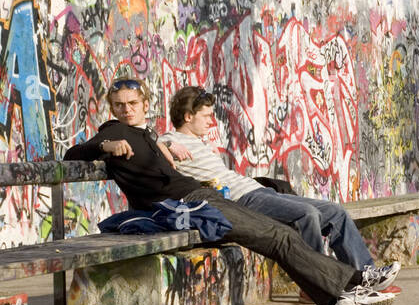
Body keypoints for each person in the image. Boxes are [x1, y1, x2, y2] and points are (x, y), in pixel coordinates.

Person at [63, 78, 396, 305]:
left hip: (203, 198)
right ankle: (348, 285)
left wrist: (162, 146)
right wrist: (104, 146)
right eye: (119, 105)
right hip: (189, 208)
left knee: (279, 234)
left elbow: (157, 147)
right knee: (277, 237)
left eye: (132, 104)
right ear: (112, 108)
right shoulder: (115, 131)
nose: (125, 110)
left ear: (144, 104)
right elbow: (74, 153)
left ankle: (343, 289)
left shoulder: (146, 133)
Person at [160, 86, 399, 291]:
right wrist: (168, 144)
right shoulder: (170, 140)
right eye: (206, 116)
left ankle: (367, 278)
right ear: (188, 116)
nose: (211, 121)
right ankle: (318, 285)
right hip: (242, 200)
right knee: (307, 214)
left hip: (257, 190)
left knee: (336, 213)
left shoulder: (198, 142)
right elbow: (150, 143)